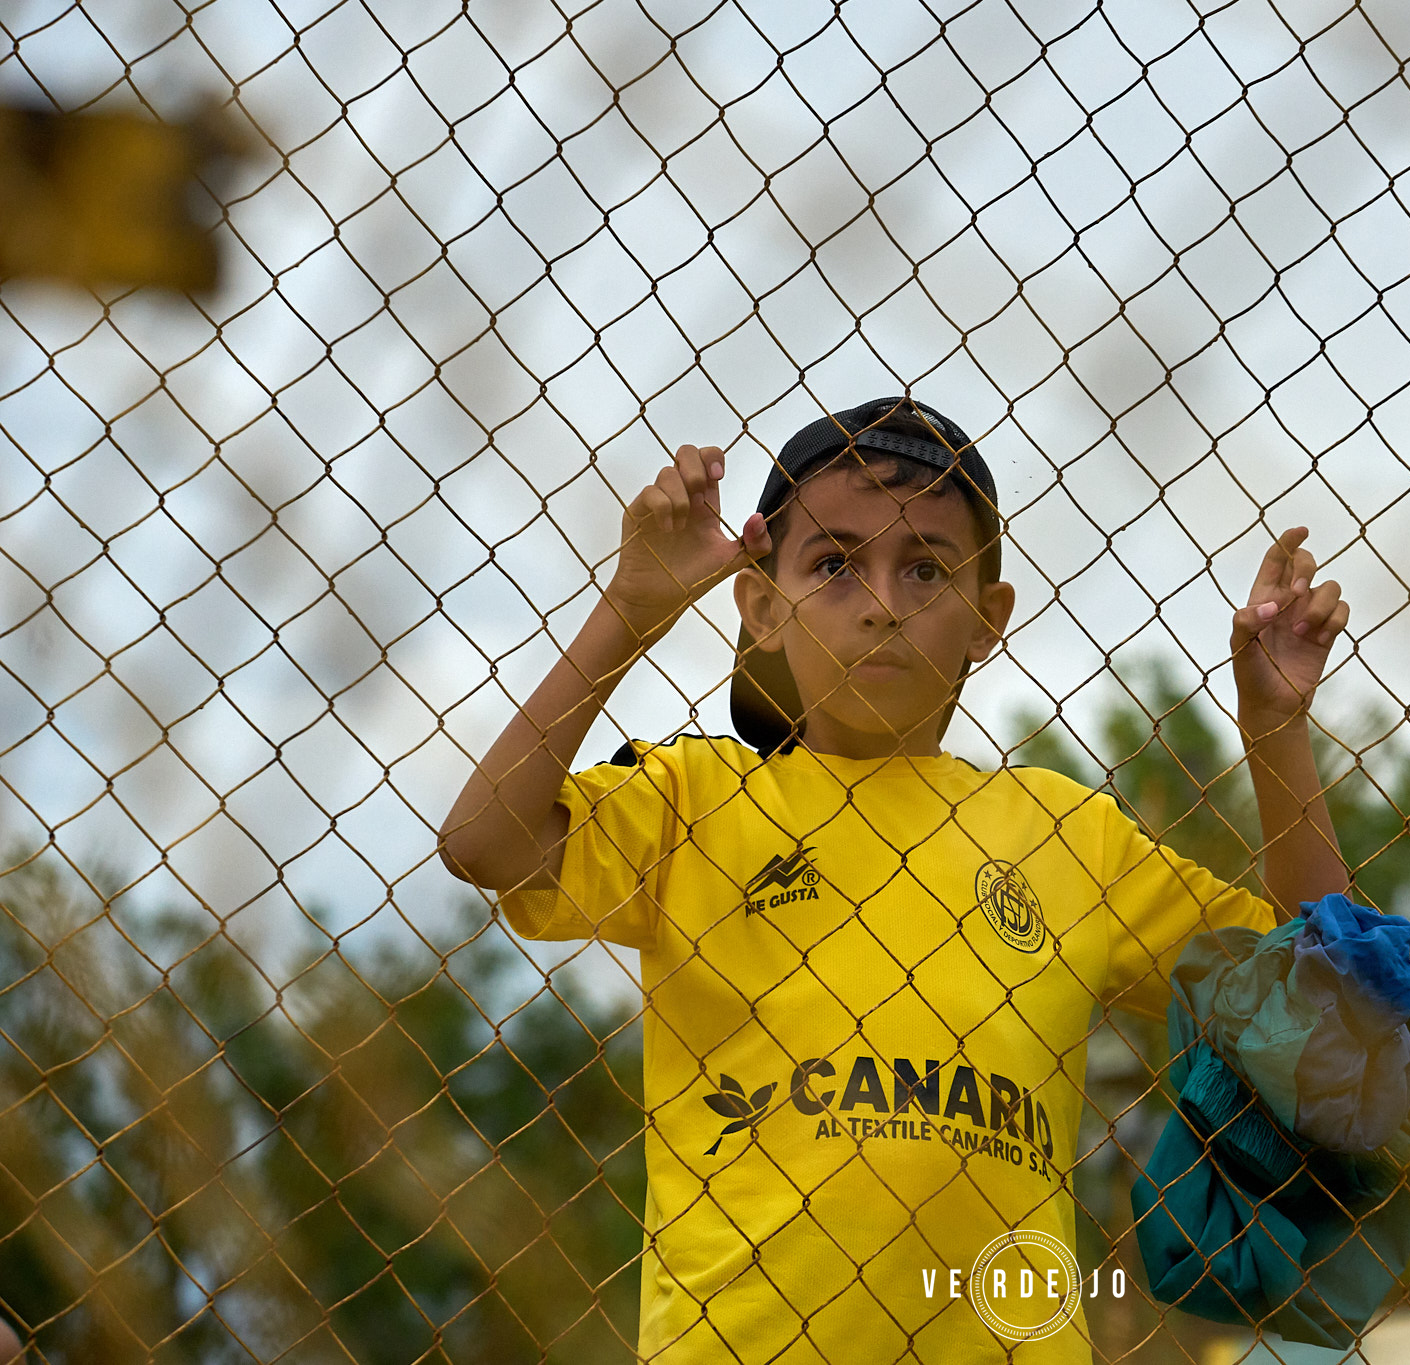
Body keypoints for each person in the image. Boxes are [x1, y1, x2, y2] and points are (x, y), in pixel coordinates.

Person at [438, 396, 1354, 1363]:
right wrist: (631, 608)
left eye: (926, 568)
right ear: (760, 607)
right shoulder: (691, 799)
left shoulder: (1067, 833)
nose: (881, 600)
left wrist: (1274, 730)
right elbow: (484, 842)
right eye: (833, 564)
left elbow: (1326, 1010)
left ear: (985, 619)